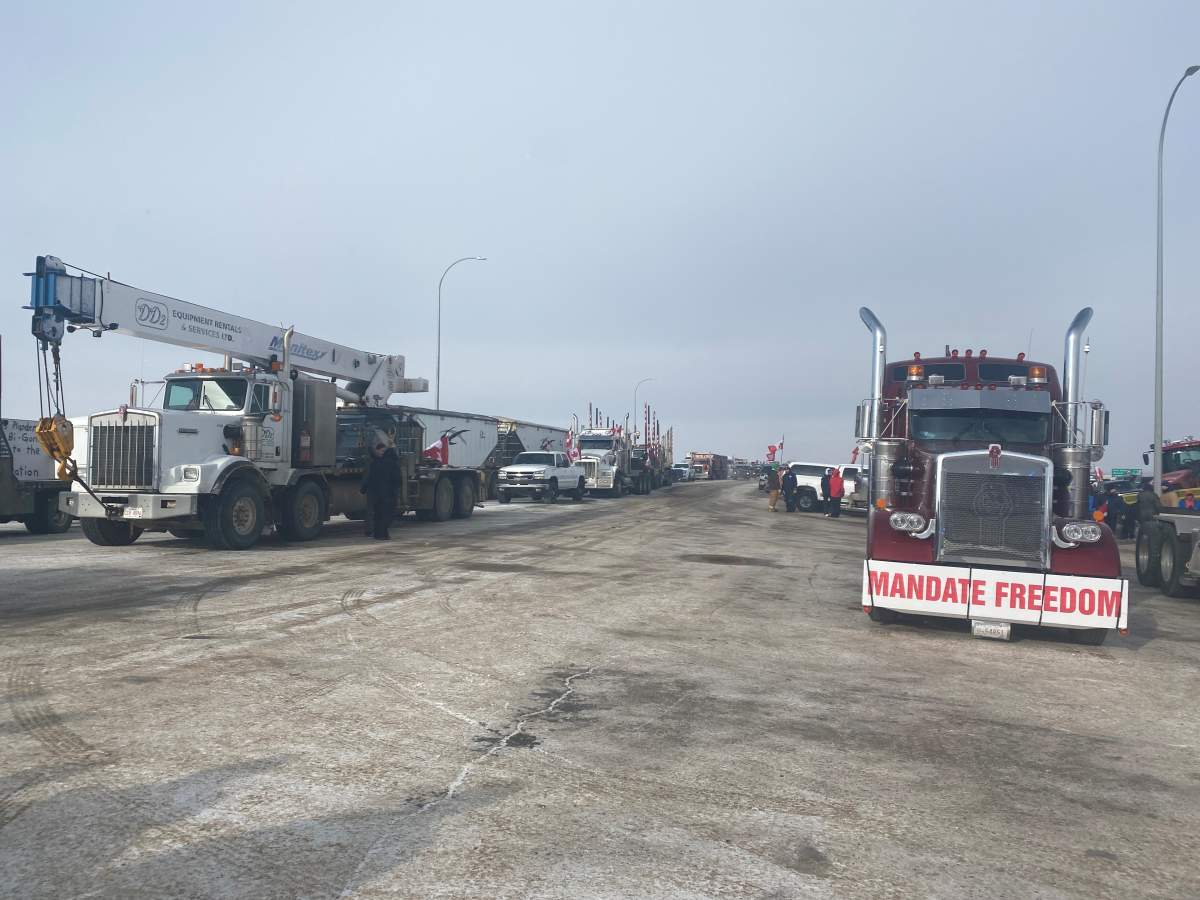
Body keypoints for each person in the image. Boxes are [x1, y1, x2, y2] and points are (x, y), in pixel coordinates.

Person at [361, 440, 401, 540]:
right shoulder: (393, 465)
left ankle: (377, 534)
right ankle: (384, 534)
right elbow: (397, 480)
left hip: (376, 493)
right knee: (386, 514)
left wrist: (363, 488)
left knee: (377, 514)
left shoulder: (375, 463)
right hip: (388, 494)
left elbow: (369, 477)